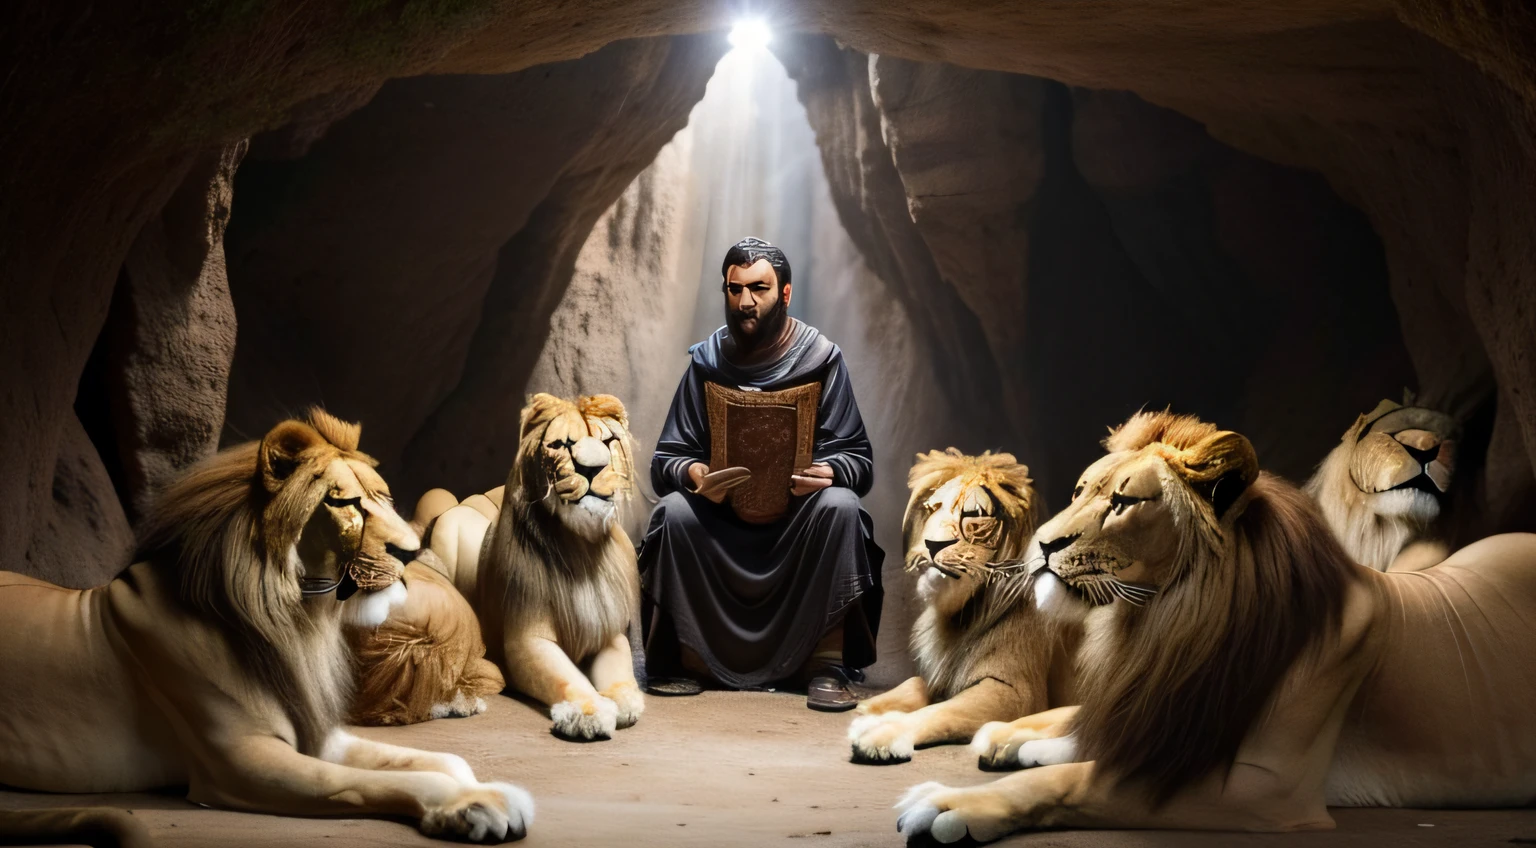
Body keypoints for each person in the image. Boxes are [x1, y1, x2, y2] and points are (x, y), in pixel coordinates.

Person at [638, 237, 884, 711]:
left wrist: (830, 472)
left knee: (842, 506)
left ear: (785, 294)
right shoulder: (706, 364)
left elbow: (859, 458)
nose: (745, 301)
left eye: (759, 288)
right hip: (721, 528)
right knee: (671, 512)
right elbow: (664, 459)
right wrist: (694, 475)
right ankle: (689, 659)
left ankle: (825, 664)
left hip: (797, 529)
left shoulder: (822, 359)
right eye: (735, 289)